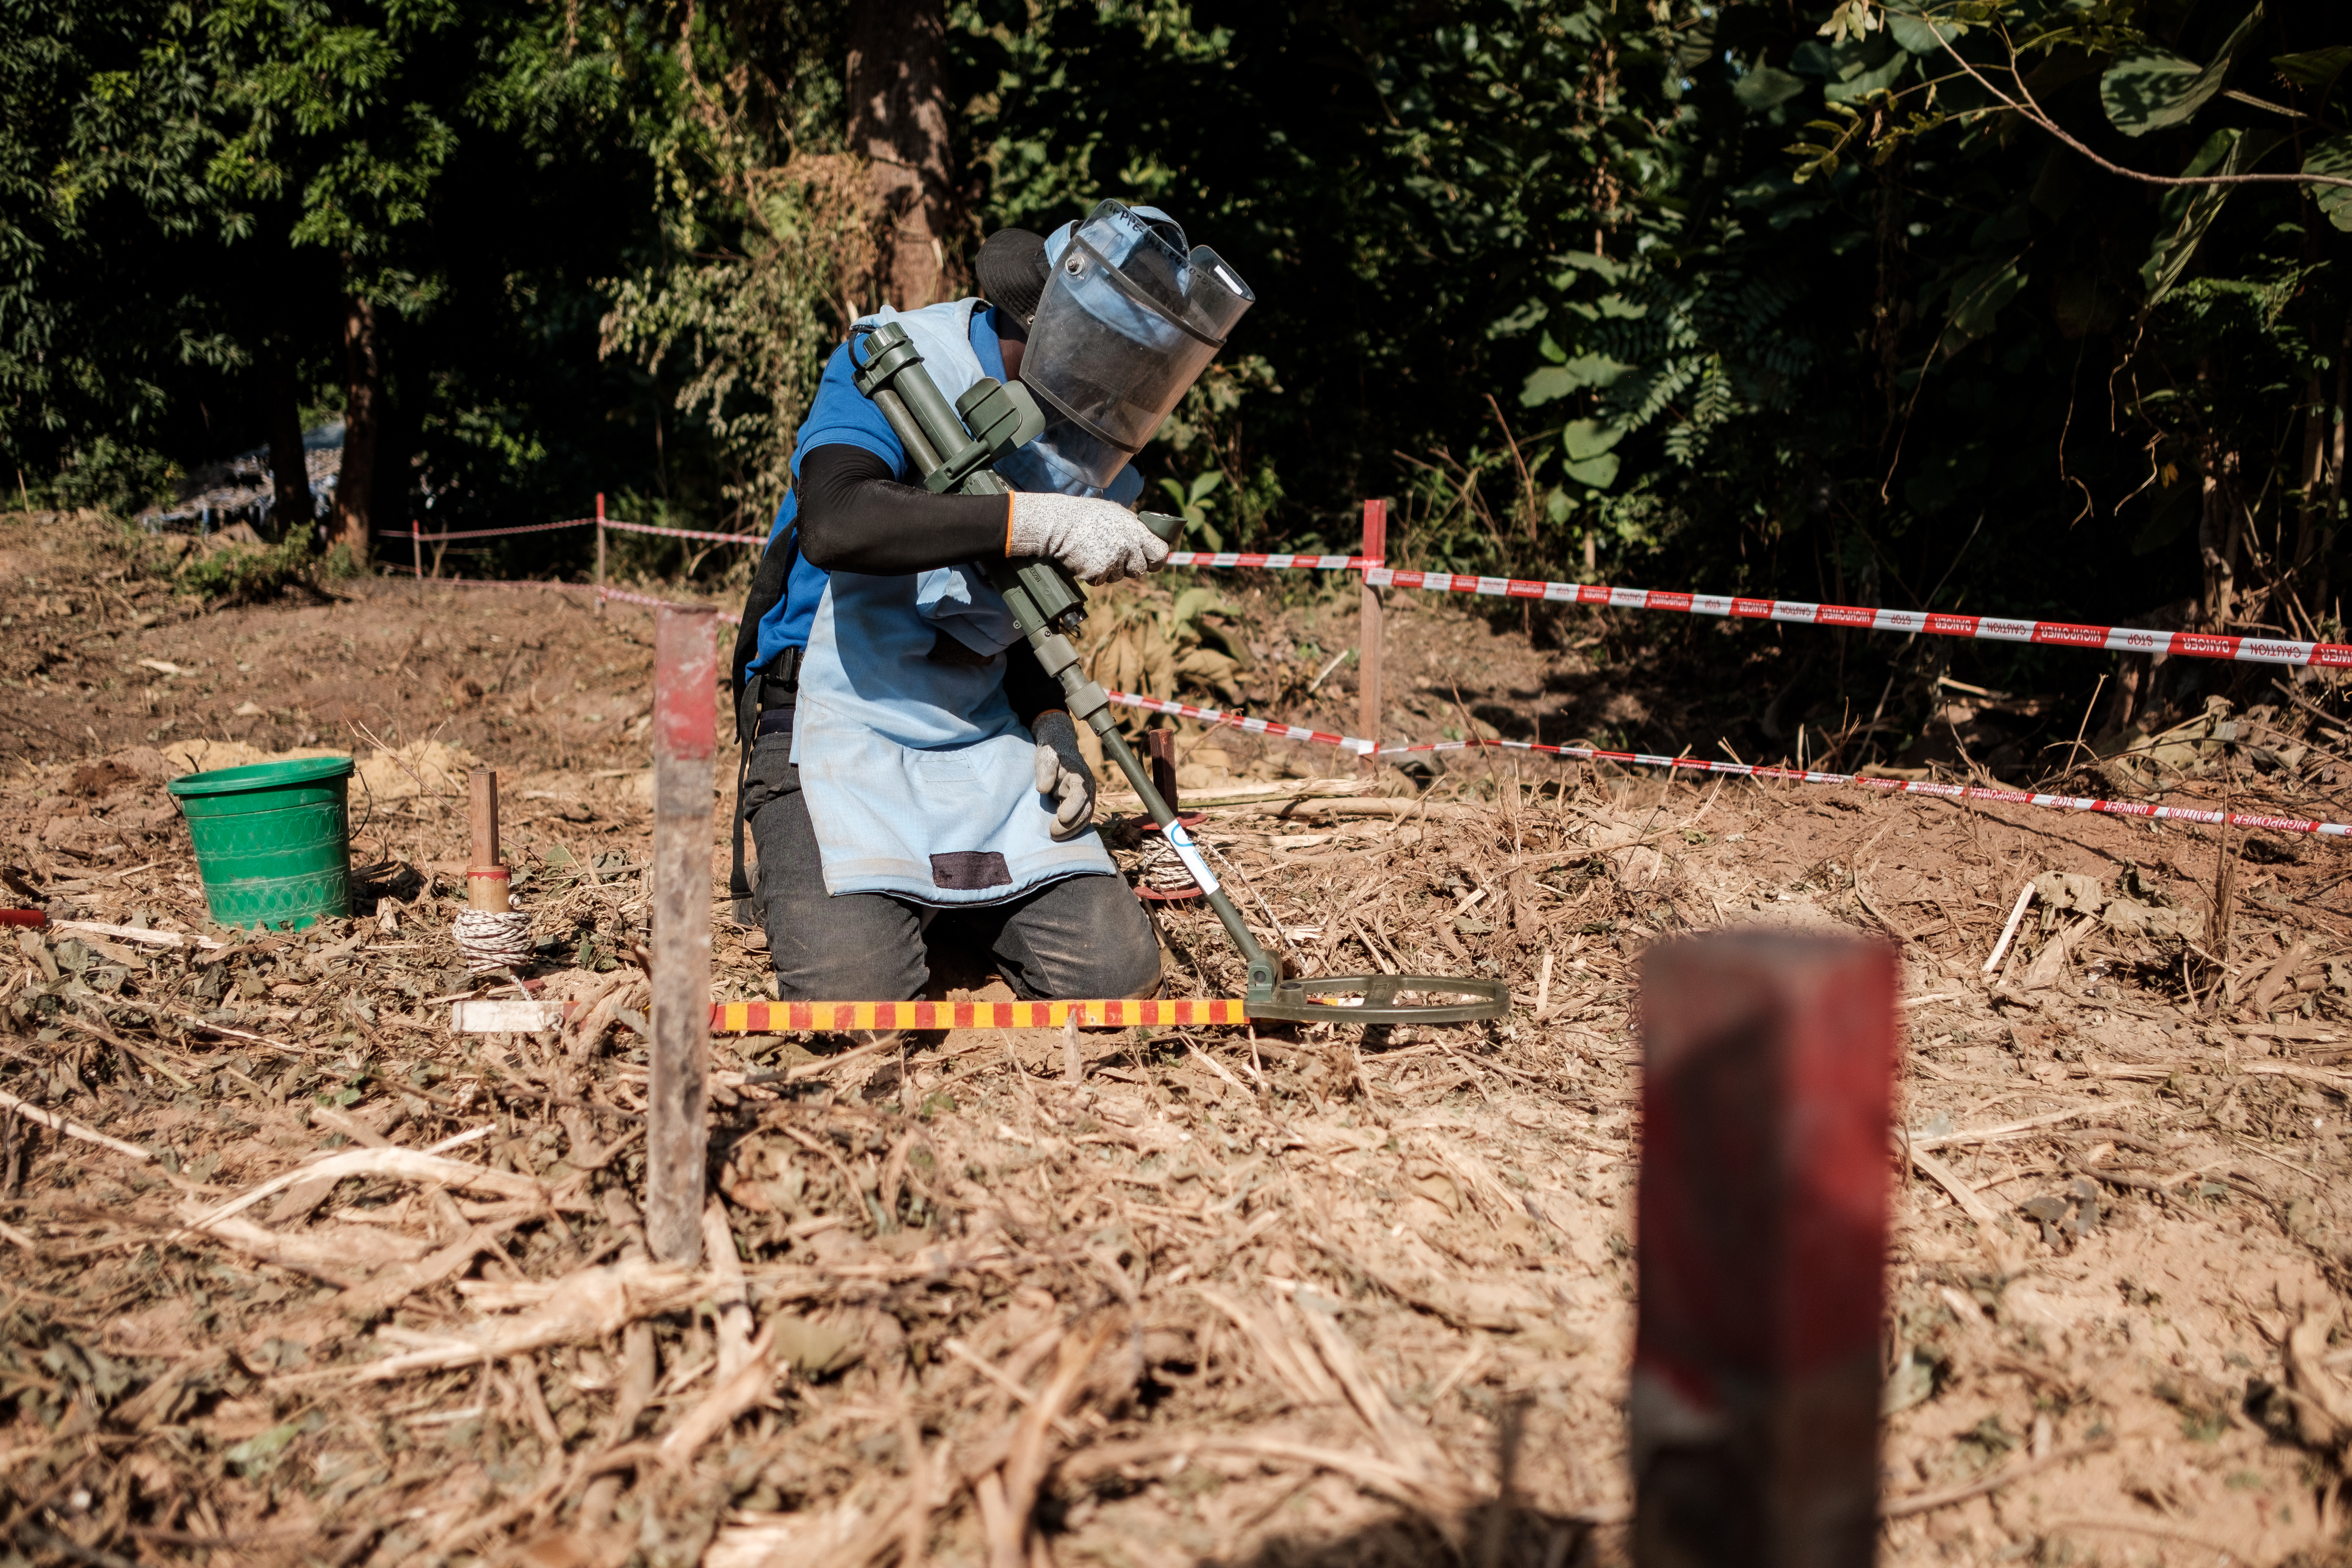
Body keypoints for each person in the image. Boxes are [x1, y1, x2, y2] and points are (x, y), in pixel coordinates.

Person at [735, 202, 1256, 1006]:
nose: (1116, 393)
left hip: (975, 731)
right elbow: (838, 521)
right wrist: (1034, 522)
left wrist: (1051, 722)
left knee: (1113, 976)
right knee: (856, 994)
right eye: (1112, 362)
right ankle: (869, 899)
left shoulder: (1089, 451)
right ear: (1055, 327)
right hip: (833, 722)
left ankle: (938, 906)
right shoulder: (898, 358)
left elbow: (1005, 615)